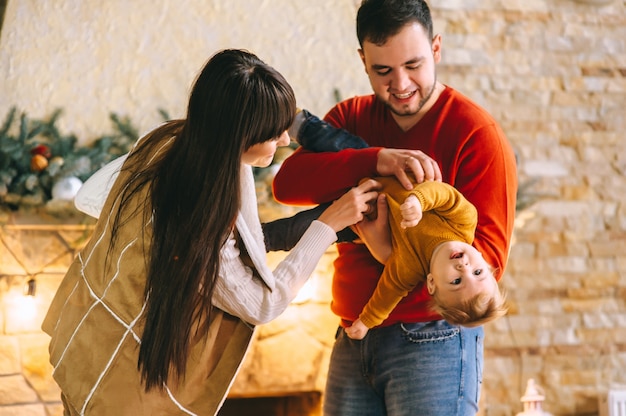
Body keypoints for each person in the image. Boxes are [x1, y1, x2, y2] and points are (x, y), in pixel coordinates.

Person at [41, 49, 380, 416]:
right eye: (273, 131)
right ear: (241, 133)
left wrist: (320, 220)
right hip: (121, 389)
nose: (285, 139)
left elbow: (240, 244)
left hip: (86, 349)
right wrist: (326, 227)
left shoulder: (169, 142)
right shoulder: (202, 205)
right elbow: (263, 304)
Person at [272, 0, 518, 414]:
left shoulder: (477, 135)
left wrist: (389, 254)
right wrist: (376, 158)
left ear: (436, 48)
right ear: (362, 61)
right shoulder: (351, 116)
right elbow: (286, 185)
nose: (400, 84)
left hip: (434, 339)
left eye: (414, 65)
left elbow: (487, 263)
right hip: (353, 333)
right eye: (382, 70)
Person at [276, 110, 507, 340]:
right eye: (477, 272)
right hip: (383, 173)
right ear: (485, 263)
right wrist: (419, 201)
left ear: (432, 283)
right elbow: (446, 195)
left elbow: (387, 294)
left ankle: (262, 237)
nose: (464, 268)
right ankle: (299, 123)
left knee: (306, 229)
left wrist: (365, 322)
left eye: (456, 282)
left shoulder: (408, 270)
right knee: (339, 142)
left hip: (361, 212)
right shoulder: (463, 224)